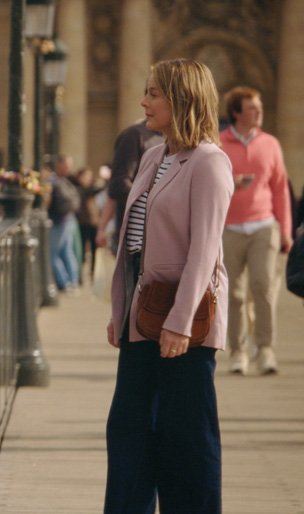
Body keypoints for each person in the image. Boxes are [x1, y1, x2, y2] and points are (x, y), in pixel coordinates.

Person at [104, 59, 233, 514]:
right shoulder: (154, 155)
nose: (144, 101)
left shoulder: (210, 162)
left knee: (186, 442)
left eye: (154, 93)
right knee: (129, 432)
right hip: (143, 315)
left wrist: (179, 322)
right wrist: (119, 311)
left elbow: (205, 250)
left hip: (186, 323)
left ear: (182, 97)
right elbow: (131, 242)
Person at [220, 86, 292, 375]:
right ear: (236, 112)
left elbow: (280, 190)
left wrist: (285, 230)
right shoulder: (219, 143)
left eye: (259, 107)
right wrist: (231, 184)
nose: (259, 112)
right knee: (234, 294)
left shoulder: (271, 144)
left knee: (263, 288)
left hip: (264, 224)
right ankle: (237, 352)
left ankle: (265, 349)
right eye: (252, 108)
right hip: (230, 227)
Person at [95, 118, 163, 251]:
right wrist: (102, 228)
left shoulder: (167, 139)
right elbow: (117, 187)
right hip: (138, 240)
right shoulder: (134, 135)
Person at [47, 154, 81, 292]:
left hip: (58, 221)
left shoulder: (53, 181)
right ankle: (73, 281)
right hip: (68, 219)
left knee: (53, 253)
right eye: (67, 166)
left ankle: (64, 282)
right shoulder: (66, 181)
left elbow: (47, 203)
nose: (68, 169)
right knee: (67, 252)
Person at [74, 166, 104, 284]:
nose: (88, 179)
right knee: (80, 250)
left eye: (89, 176)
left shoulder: (91, 190)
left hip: (93, 223)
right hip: (82, 223)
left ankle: (92, 274)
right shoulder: (78, 189)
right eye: (85, 176)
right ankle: (79, 275)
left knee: (94, 250)